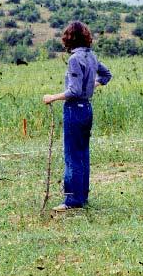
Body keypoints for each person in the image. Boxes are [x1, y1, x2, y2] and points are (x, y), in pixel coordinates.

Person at [43, 21, 112, 211]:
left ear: (69, 38)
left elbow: (73, 91)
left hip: (74, 109)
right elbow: (106, 76)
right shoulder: (91, 56)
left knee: (72, 155)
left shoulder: (74, 59)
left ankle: (72, 201)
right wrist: (90, 87)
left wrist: (52, 98)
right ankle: (82, 197)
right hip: (87, 109)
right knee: (83, 154)